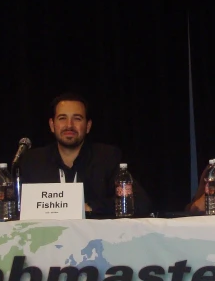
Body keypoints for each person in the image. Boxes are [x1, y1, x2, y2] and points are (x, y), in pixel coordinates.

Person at [18, 92, 151, 216]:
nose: (69, 125)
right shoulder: (33, 161)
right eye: (62, 118)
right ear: (52, 125)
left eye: (77, 118)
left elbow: (139, 202)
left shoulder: (106, 157)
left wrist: (89, 207)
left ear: (88, 126)